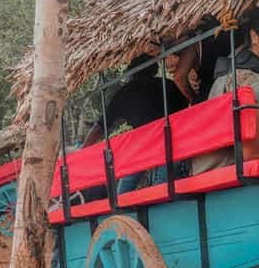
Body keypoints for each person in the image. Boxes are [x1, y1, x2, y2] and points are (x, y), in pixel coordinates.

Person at [190, 6, 259, 174]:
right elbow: (250, 154)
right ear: (254, 36)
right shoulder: (253, 81)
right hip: (228, 169)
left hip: (206, 169)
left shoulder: (230, 71)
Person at [81, 54, 188, 193]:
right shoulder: (167, 84)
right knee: (163, 186)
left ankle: (124, 209)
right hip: (170, 140)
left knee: (125, 190)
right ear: (153, 69)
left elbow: (100, 127)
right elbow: (187, 106)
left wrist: (83, 150)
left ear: (132, 73)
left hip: (144, 145)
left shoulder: (125, 93)